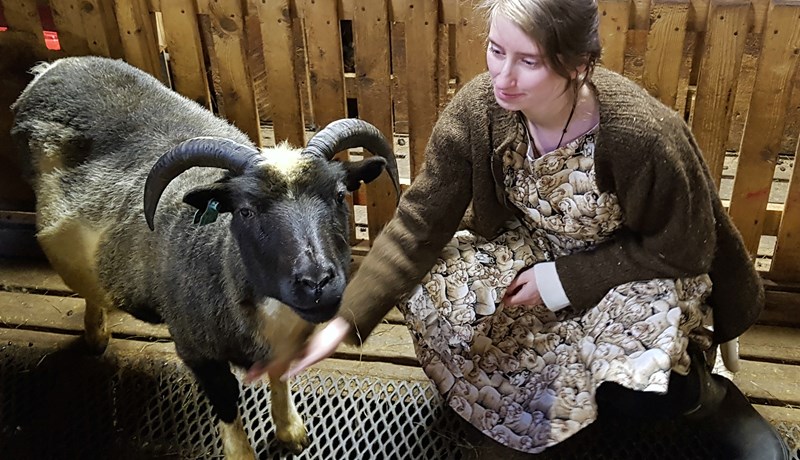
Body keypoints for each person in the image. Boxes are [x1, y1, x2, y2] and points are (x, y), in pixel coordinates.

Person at [250, 0, 789, 457]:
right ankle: (518, 415)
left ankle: (707, 401)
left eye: (528, 61)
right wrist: (341, 324)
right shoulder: (482, 108)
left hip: (637, 266)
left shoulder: (640, 134)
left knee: (640, 388)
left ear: (578, 64)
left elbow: (686, 248)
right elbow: (419, 223)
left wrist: (564, 281)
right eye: (496, 50)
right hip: (532, 248)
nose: (503, 77)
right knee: (433, 290)